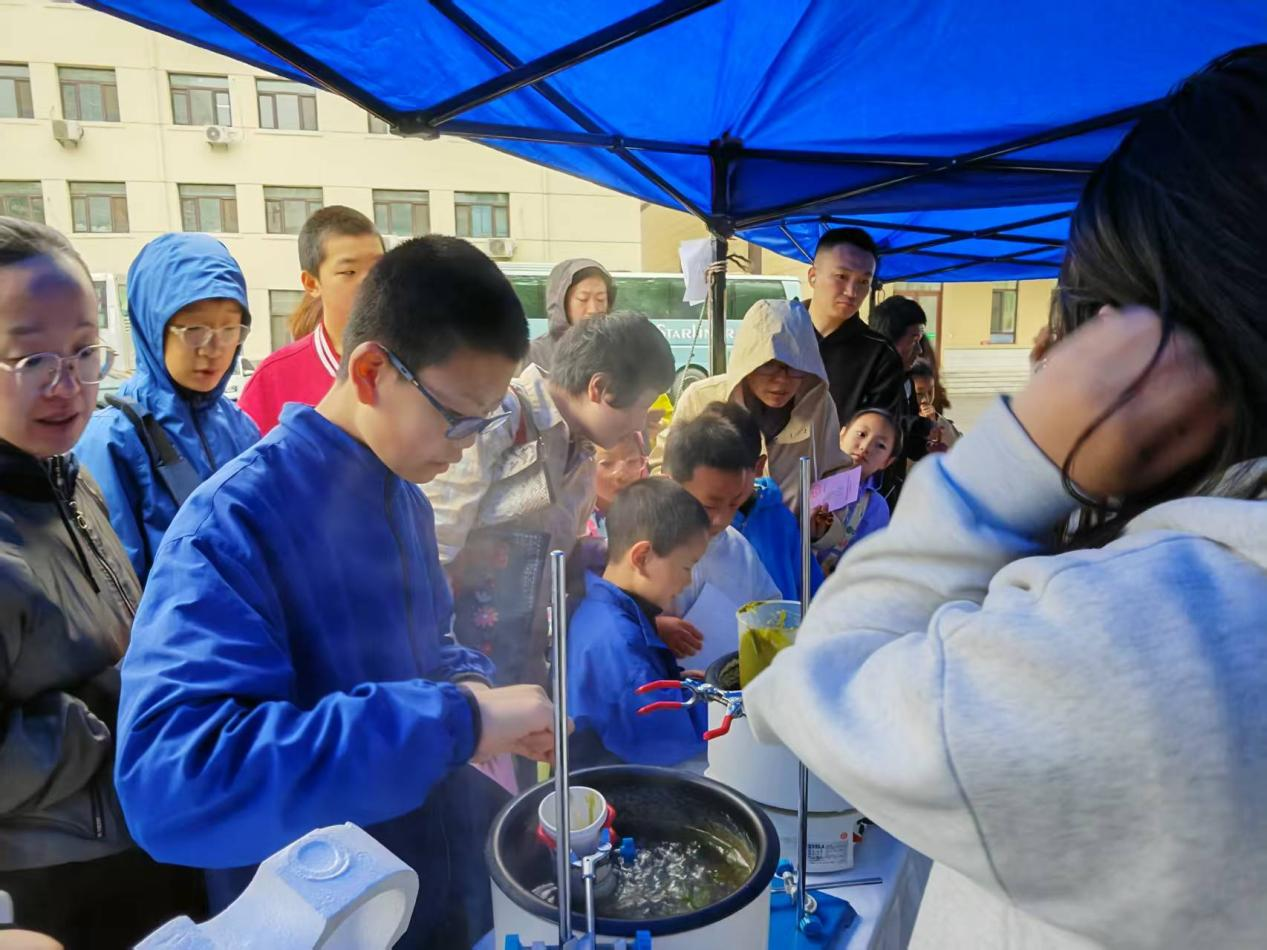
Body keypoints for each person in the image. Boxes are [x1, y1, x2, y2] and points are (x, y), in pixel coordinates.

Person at [744, 45, 1267, 950]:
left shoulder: (1170, 628)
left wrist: (1015, 459)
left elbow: (821, 684)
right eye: (839, 278)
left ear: (1144, 351)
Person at [112, 236, 561, 950]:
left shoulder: (401, 496)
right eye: (457, 417)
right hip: (320, 918)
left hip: (424, 895)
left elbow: (429, 648)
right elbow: (176, 786)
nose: (467, 445)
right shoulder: (231, 527)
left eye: (486, 422)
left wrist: (469, 685)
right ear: (372, 370)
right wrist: (457, 722)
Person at [0, 218, 203, 948]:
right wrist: (123, 708)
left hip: (140, 824)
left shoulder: (65, 476)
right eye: (32, 359)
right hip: (55, 882)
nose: (68, 386)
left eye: (85, 352)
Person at [431, 311, 675, 694]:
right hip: (457, 678)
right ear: (599, 388)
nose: (640, 423)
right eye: (641, 406)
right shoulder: (498, 420)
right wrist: (456, 679)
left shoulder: (584, 454)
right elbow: (433, 551)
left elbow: (563, 557)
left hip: (520, 668)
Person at [76, 233, 259, 584]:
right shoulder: (111, 441)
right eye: (195, 329)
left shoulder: (241, 428)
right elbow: (117, 588)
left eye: (229, 329)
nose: (214, 348)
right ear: (152, 325)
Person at [651, 298, 850, 517]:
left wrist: (823, 524)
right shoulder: (700, 397)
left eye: (795, 367)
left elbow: (835, 473)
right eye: (769, 365)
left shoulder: (819, 404)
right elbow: (663, 471)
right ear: (748, 362)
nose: (781, 380)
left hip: (793, 535)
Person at [568, 478, 710, 768]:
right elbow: (667, 739)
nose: (687, 582)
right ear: (642, 556)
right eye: (687, 567)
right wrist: (716, 698)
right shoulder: (619, 644)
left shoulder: (600, 605)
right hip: (611, 782)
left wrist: (680, 686)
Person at [237, 206, 385, 435]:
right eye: (349, 272)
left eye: (378, 268)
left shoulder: (419, 361)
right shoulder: (274, 379)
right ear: (311, 283)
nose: (369, 283)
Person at [662, 406, 781, 646]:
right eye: (709, 506)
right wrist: (652, 627)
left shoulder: (738, 548)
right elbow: (612, 611)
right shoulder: (641, 541)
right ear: (671, 484)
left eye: (734, 504)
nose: (722, 519)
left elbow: (770, 610)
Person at [704, 400, 824, 602]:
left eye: (734, 472)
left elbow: (813, 588)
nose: (724, 486)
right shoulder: (695, 525)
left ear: (759, 466)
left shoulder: (780, 519)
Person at [805, 228, 905, 425]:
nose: (852, 292)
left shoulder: (879, 355)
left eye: (863, 281)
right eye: (841, 276)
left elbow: (880, 433)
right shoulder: (778, 333)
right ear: (813, 276)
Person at [867, 294, 937, 502]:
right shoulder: (866, 382)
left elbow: (910, 442)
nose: (920, 350)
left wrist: (926, 437)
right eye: (914, 341)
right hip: (866, 493)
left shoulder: (906, 381)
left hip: (892, 489)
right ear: (889, 339)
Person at [817, 408, 901, 573]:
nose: (865, 447)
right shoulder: (810, 474)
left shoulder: (877, 508)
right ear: (841, 434)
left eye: (880, 445)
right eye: (861, 434)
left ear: (887, 462)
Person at [522, 258, 616, 372]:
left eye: (600, 299)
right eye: (583, 299)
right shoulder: (532, 355)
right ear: (562, 303)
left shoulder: (619, 352)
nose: (593, 309)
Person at [587, 432, 647, 541]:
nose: (621, 475)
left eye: (632, 461)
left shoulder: (655, 512)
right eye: (607, 463)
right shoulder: (573, 526)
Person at [910, 358, 960, 452]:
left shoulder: (940, 421)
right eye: (919, 394)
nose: (926, 400)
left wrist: (934, 422)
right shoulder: (899, 423)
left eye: (930, 392)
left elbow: (956, 448)